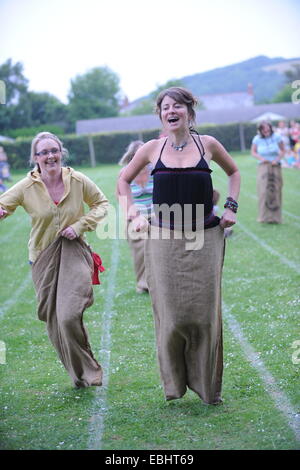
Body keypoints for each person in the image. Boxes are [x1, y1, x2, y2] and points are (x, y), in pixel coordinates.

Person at [118, 87, 240, 405]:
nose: (171, 111)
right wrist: (130, 210)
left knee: (204, 316)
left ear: (189, 111)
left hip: (206, 238)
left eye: (177, 106)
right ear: (160, 115)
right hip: (163, 241)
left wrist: (231, 207)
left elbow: (235, 172)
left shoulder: (208, 144)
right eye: (165, 107)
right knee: (171, 317)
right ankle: (174, 384)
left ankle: (207, 387)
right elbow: (123, 180)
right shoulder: (151, 149)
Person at [0, 132, 109, 388]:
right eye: (44, 152)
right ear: (35, 158)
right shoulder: (26, 187)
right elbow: (3, 206)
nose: (50, 156)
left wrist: (81, 225)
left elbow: (102, 204)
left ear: (61, 153)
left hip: (75, 252)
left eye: (54, 150)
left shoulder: (77, 179)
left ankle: (90, 370)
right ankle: (78, 375)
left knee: (69, 315)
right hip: (41, 257)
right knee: (53, 320)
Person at [118, 140, 153, 293]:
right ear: (133, 155)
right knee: (140, 252)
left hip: (156, 216)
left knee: (158, 250)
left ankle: (156, 282)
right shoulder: (125, 173)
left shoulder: (155, 170)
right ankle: (142, 284)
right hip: (134, 217)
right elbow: (120, 195)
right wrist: (132, 215)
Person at [251, 121, 285, 223]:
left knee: (276, 190)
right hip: (263, 166)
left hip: (275, 166)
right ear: (260, 130)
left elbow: (283, 150)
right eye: (264, 130)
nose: (267, 131)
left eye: (268, 129)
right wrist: (261, 158)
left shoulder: (277, 137)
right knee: (263, 191)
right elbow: (253, 152)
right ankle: (263, 217)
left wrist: (277, 159)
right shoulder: (257, 139)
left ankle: (276, 218)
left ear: (271, 128)